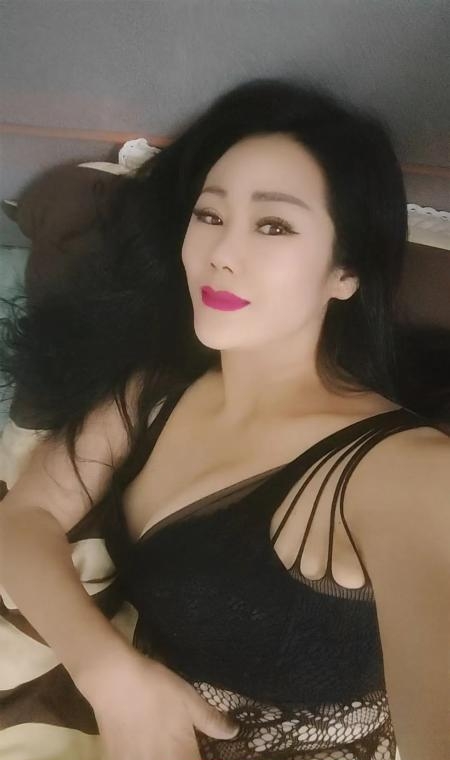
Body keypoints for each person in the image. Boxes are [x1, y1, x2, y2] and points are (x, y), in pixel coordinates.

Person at [0, 77, 449, 760]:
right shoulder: (151, 395)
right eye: (209, 214)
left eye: (274, 225)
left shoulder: (406, 473)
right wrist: (110, 674)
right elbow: (22, 519)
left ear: (345, 273)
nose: (221, 253)